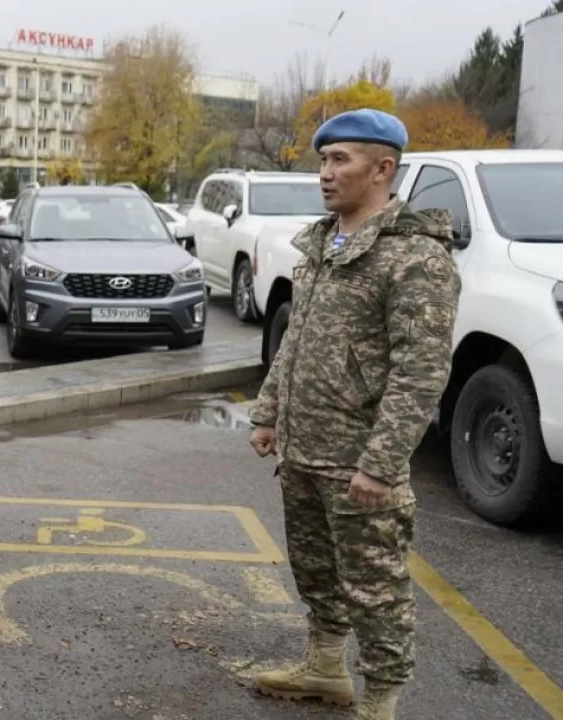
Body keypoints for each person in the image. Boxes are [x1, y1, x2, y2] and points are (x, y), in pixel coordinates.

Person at [247, 108, 461, 720]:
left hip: (360, 464)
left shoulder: (414, 257)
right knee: (315, 569)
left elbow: (420, 370)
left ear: (383, 168)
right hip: (305, 449)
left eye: (340, 160)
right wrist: (269, 412)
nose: (324, 173)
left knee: (376, 588)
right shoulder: (323, 243)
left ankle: (382, 700)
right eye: (322, 160)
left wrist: (381, 462)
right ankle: (324, 667)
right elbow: (298, 339)